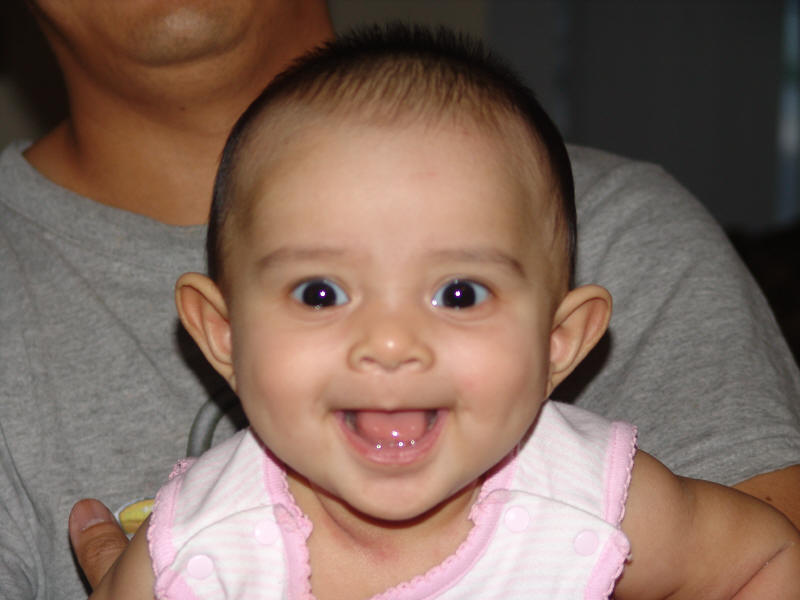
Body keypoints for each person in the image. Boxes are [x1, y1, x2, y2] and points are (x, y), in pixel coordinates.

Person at [0, 1, 798, 598]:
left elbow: (767, 560)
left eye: (459, 293)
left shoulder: (591, 500)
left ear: (561, 342)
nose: (389, 342)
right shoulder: (194, 554)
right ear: (222, 336)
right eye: (320, 293)